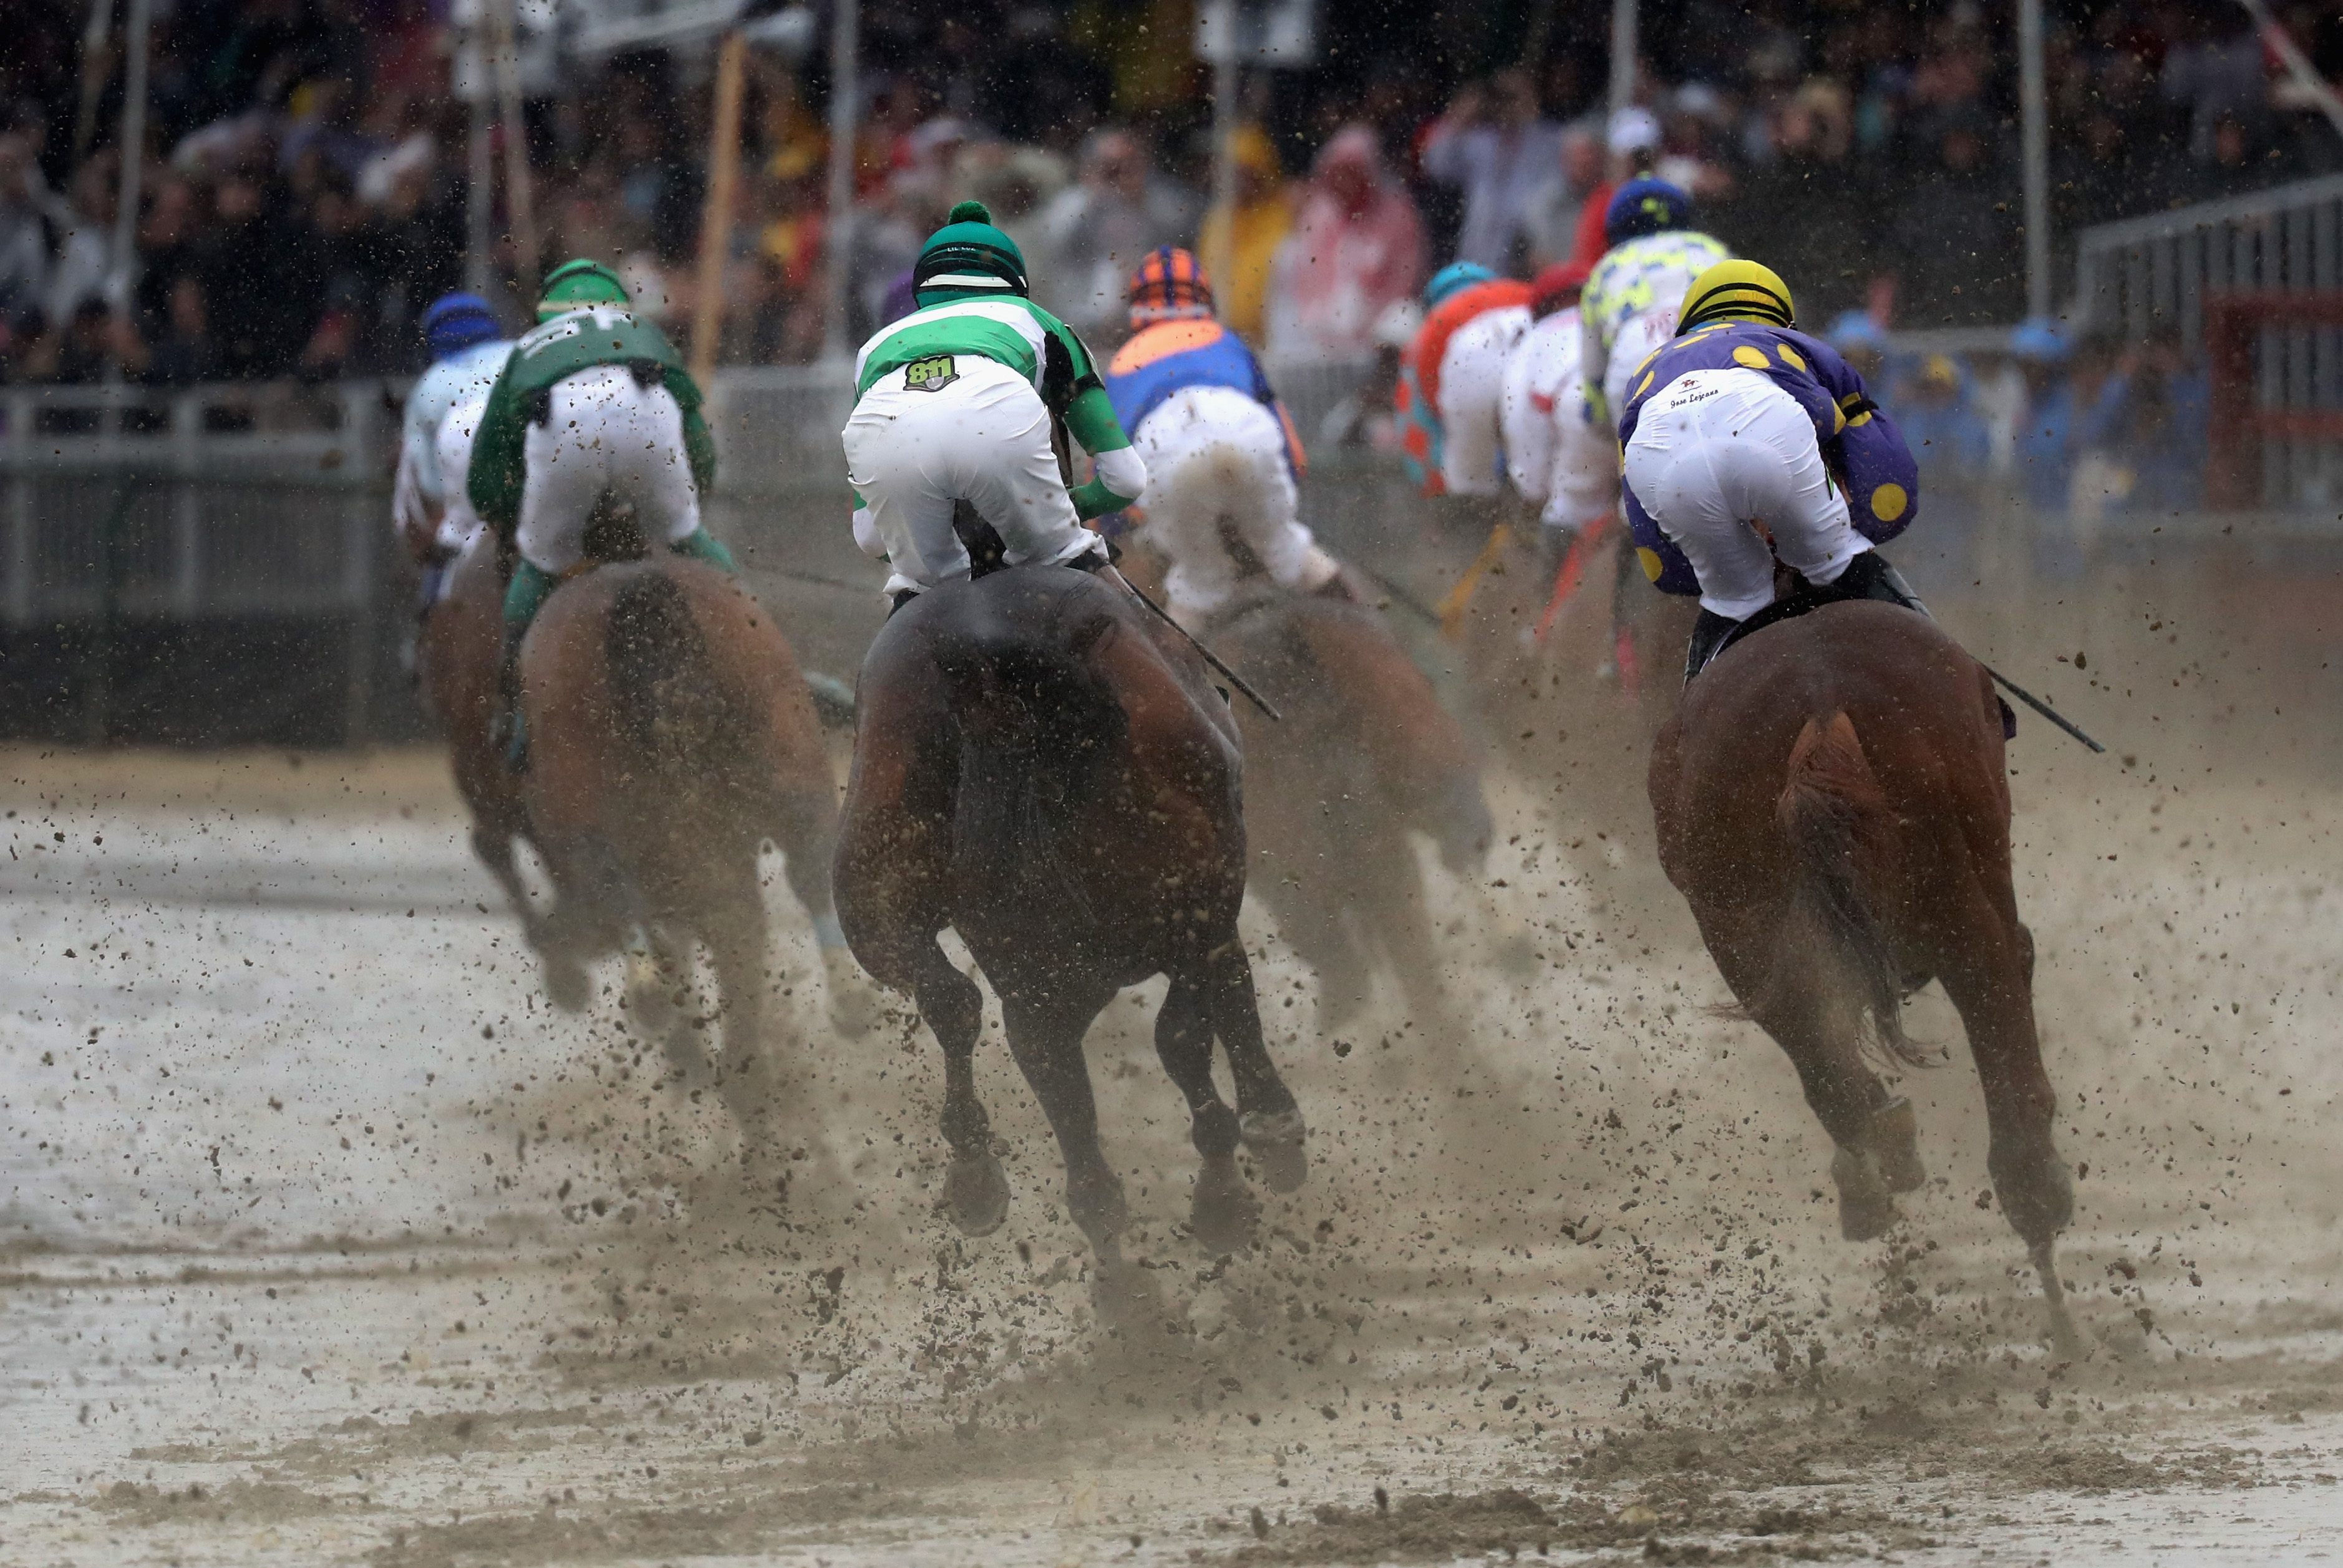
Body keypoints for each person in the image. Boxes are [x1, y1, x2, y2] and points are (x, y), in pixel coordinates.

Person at [467, 259, 735, 770]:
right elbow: (697, 441)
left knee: (540, 565)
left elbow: (488, 471)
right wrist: (684, 511)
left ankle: (518, 708)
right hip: (647, 419)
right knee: (689, 540)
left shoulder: (530, 349)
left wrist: (513, 520)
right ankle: (763, 656)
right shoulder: (643, 334)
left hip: (563, 428)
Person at [1616, 260, 1923, 683]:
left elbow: (1637, 496)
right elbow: (1874, 452)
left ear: (1688, 325)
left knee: (1732, 601)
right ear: (1785, 321)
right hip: (1766, 432)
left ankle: (1689, 725)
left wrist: (1686, 574)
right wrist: (1863, 527)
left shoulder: (1648, 369)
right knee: (1840, 562)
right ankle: (1944, 669)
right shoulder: (1793, 344)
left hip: (1662, 455)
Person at [841, 200, 1145, 604]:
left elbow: (869, 535)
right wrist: (1057, 510)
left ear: (922, 287)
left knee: (920, 598)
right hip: (999, 425)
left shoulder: (872, 350)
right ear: (1014, 280)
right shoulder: (1039, 321)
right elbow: (1124, 479)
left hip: (887, 443)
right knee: (1085, 583)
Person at [1102, 247, 1342, 629]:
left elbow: (1109, 479)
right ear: (1204, 298)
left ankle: (1175, 672)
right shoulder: (1227, 341)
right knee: (1295, 557)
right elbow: (1290, 448)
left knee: (1197, 588)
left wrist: (1123, 530)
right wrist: (1281, 508)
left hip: (1166, 458)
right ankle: (1374, 636)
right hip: (1245, 432)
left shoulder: (1120, 365)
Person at [1263, 125, 1426, 361]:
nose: (1345, 182)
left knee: (1403, 318)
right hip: (1320, 333)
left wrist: (1367, 312)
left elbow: (1406, 280)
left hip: (1377, 333)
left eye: (1353, 173)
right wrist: (1324, 315)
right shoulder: (1319, 214)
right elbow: (1306, 278)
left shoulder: (1397, 214)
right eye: (1338, 174)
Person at [1579, 177, 1731, 427]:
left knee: (1644, 459)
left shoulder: (1605, 269)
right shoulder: (1712, 249)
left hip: (1637, 347)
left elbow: (1594, 378)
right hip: (1714, 335)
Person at [392, 292, 512, 607]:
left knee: (449, 547)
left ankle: (433, 610)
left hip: (474, 500)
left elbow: (431, 489)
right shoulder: (523, 355)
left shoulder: (429, 385)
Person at [1394, 261, 1535, 498]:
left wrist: (1438, 492)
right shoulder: (1515, 299)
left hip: (1463, 412)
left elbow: (1416, 427)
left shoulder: (1425, 338)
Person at [1498, 261, 1614, 536]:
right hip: (1643, 400)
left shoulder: (1535, 337)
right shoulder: (1613, 318)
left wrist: (1533, 487)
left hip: (1581, 406)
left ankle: (1550, 578)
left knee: (1568, 511)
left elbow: (1518, 416)